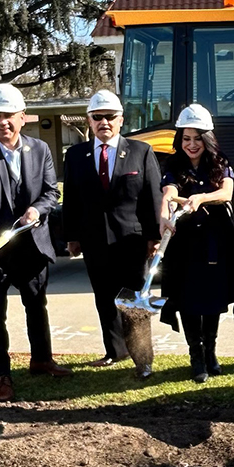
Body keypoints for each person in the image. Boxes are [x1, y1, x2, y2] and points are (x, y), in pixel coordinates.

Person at [0, 83, 72, 401]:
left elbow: (52, 192)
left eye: (9, 115)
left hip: (32, 247)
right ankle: (2, 375)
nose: (3, 122)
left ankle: (41, 360)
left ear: (23, 117)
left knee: (36, 306)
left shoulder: (39, 150)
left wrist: (37, 210)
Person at [62, 90, 162, 379]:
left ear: (121, 120)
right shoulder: (77, 155)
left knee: (134, 303)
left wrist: (153, 236)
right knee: (104, 299)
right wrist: (72, 236)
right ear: (89, 121)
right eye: (97, 117)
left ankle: (143, 360)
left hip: (132, 240)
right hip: (95, 241)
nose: (103, 122)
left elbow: (152, 197)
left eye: (109, 117)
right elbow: (72, 199)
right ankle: (114, 351)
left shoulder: (140, 151)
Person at [158, 104, 234, 382]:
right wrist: (165, 211)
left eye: (197, 138)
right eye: (186, 138)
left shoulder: (220, 163)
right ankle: (195, 356)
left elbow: (226, 192)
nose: (191, 145)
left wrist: (201, 197)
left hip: (215, 241)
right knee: (187, 300)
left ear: (207, 138)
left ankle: (211, 352)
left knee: (212, 298)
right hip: (184, 244)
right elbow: (169, 192)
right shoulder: (172, 164)